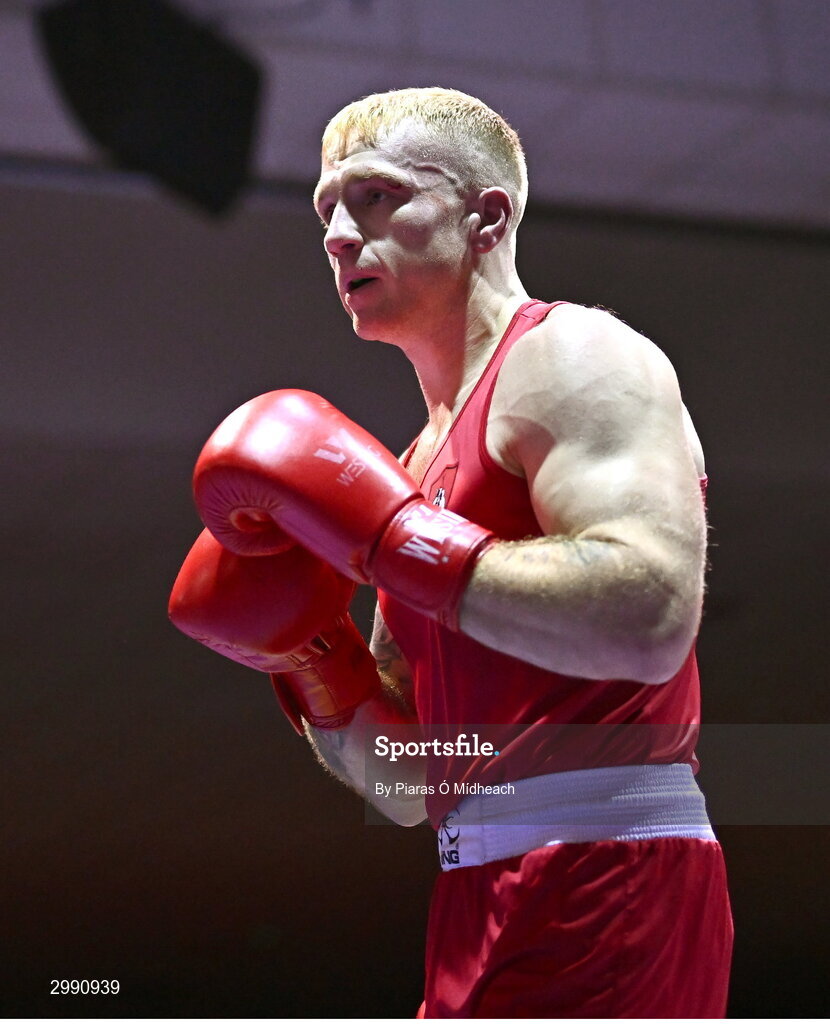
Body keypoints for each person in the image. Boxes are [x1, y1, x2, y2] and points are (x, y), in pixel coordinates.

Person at [170, 87, 733, 1017]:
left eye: (376, 196)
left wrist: (399, 544)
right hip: (474, 891)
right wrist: (310, 658)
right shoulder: (407, 468)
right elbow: (406, 787)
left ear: (487, 215)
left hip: (609, 877)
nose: (339, 233)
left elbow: (650, 618)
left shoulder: (576, 356)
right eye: (325, 209)